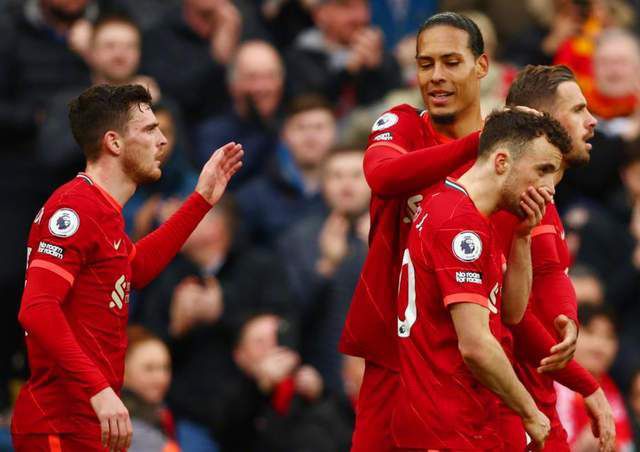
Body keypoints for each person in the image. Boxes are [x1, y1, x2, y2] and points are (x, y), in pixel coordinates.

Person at [11, 84, 243, 451]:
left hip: (90, 425)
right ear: (114, 143)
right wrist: (100, 390)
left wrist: (200, 200)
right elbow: (37, 308)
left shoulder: (104, 211)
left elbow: (133, 269)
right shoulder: (74, 208)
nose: (163, 141)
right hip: (59, 425)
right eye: (149, 130)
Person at [339, 12, 485, 451]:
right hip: (396, 356)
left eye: (451, 62)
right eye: (425, 64)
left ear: (481, 65)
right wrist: (482, 142)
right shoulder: (401, 123)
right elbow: (382, 176)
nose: (436, 77)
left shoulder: (506, 159)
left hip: (472, 359)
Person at [394, 109, 571, 450]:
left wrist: (522, 238)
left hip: (461, 421)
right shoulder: (460, 225)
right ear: (501, 161)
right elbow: (475, 345)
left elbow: (512, 315)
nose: (549, 189)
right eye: (543, 170)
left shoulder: (462, 209)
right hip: (449, 425)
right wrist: (531, 413)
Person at [496, 64, 616, 451]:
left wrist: (570, 329)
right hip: (505, 408)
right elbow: (508, 315)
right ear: (542, 120)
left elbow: (548, 280)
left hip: (538, 399)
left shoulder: (544, 199)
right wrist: (585, 383)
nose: (592, 121)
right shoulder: (505, 198)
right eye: (579, 110)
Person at [278, 147, 370, 394]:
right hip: (322, 380)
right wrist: (327, 266)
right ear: (323, 183)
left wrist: (378, 252)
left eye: (356, 175)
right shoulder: (300, 239)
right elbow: (292, 314)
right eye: (337, 176)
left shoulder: (399, 232)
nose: (346, 185)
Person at [235, 94, 335, 248]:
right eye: (301, 128)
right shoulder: (254, 196)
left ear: (335, 133)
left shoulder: (358, 190)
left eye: (319, 127)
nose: (311, 137)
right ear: (284, 135)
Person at [556, 304, 634, 451]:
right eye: (591, 332)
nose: (600, 345)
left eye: (609, 337)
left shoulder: (613, 390)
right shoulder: (551, 381)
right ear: (568, 333)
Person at [122, 325, 178, 452]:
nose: (161, 378)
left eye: (165, 367)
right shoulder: (123, 424)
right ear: (123, 371)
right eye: (149, 368)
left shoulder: (161, 413)